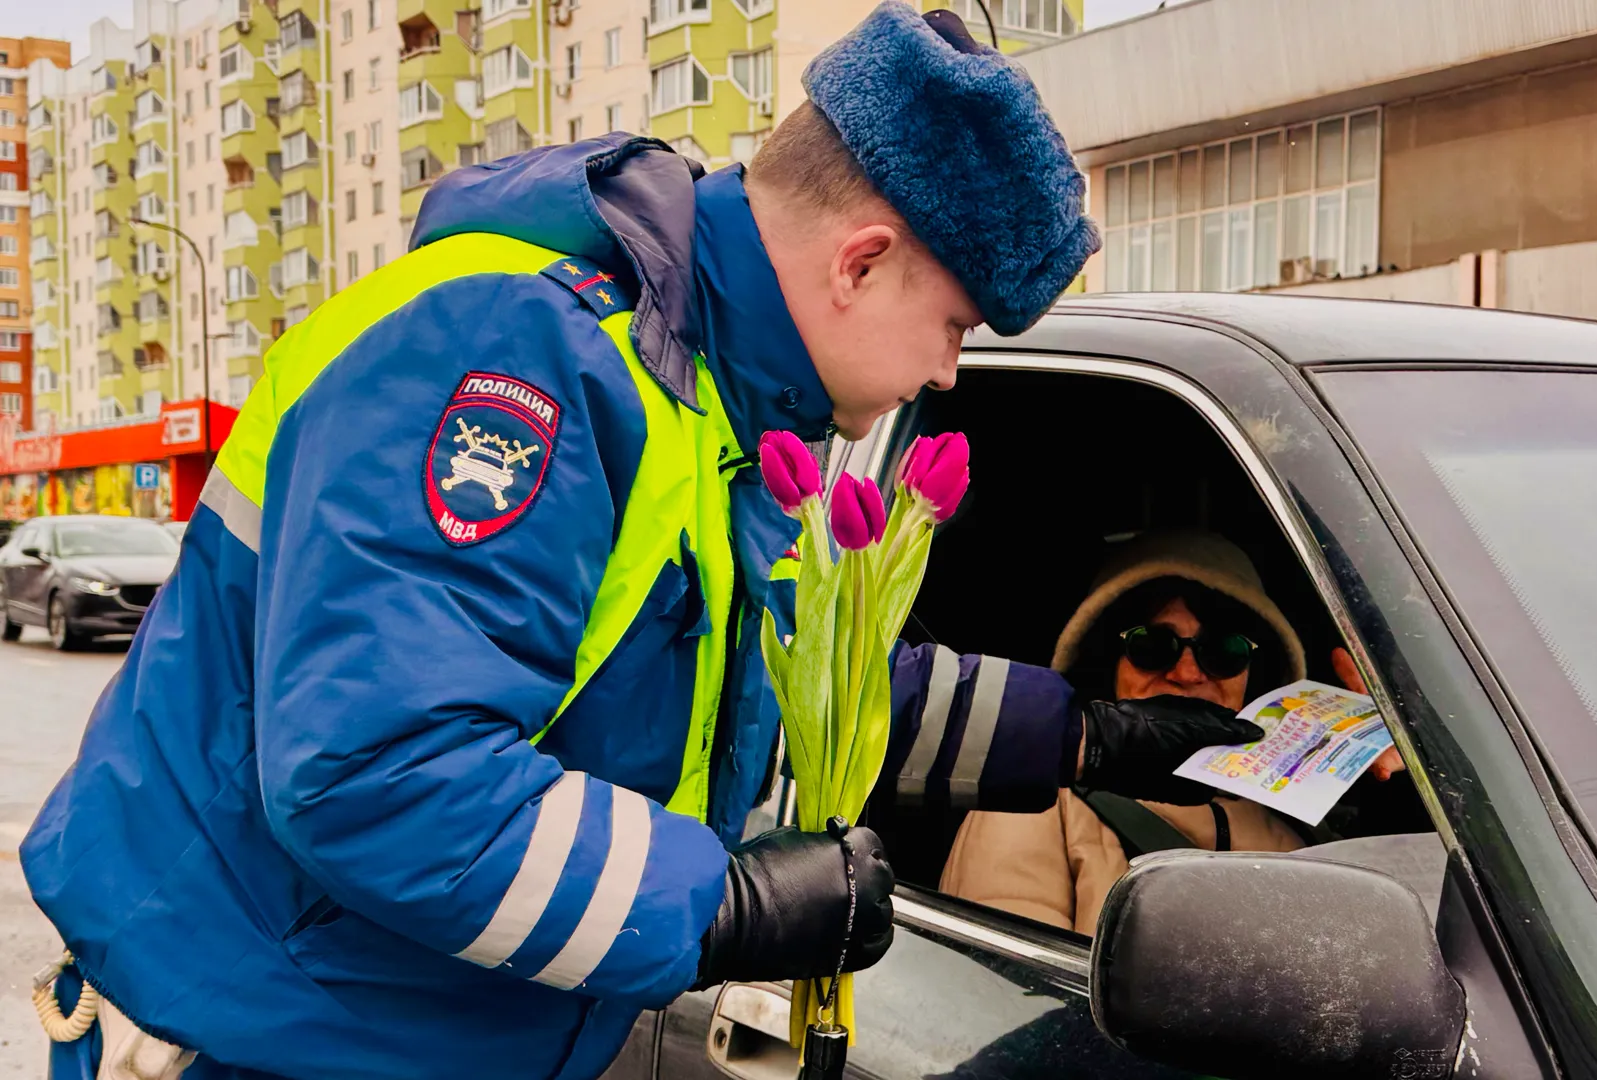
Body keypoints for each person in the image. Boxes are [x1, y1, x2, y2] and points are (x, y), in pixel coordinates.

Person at [21, 8, 1262, 1080]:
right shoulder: (515, 359)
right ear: (863, 260)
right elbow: (376, 771)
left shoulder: (697, 390)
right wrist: (719, 907)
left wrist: (1082, 734)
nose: (949, 367)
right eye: (952, 324)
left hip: (396, 1024)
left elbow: (789, 676)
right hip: (265, 1033)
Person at [941, 532, 1402, 936]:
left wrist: (1405, 789)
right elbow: (1000, 993)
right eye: (1151, 646)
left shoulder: (1306, 814)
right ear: (1108, 661)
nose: (1186, 672)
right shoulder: (1037, 800)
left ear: (1253, 674)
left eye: (1223, 651)